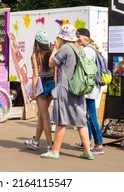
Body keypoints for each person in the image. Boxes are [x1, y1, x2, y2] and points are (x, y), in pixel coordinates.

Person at [41, 24, 92, 160]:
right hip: (78, 88)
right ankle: (87, 151)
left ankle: (55, 151)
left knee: (60, 121)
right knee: (81, 122)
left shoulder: (65, 48)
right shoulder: (79, 48)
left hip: (65, 88)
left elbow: (51, 63)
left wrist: (56, 48)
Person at [75, 28, 104, 154]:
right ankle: (86, 141)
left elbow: (82, 68)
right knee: (87, 116)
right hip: (91, 87)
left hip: (88, 88)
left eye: (79, 37)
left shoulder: (87, 50)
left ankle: (98, 145)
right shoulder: (92, 48)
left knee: (91, 116)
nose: (77, 40)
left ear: (85, 37)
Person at [24, 31, 55, 152]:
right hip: (52, 84)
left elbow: (36, 75)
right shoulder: (52, 53)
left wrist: (33, 90)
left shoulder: (35, 56)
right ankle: (36, 141)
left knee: (44, 116)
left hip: (41, 85)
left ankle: (49, 145)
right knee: (42, 115)